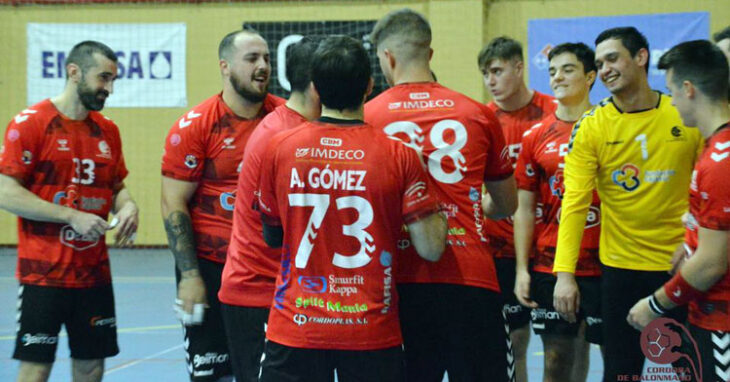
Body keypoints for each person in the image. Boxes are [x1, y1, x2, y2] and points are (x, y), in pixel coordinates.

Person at [256, 34, 447, 382]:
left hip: (296, 326)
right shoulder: (399, 154)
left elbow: (272, 235)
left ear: (315, 87)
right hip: (370, 330)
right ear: (369, 86)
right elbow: (431, 248)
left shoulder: (279, 149)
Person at [366, 9, 518, 381]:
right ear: (429, 54)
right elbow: (507, 204)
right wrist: (469, 206)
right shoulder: (477, 113)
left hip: (399, 280)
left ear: (387, 57)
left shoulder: (368, 117)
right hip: (470, 280)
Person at [552, 27, 703, 381]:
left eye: (612, 58)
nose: (604, 69)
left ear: (641, 58)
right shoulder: (591, 127)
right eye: (599, 62)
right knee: (622, 374)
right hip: (620, 270)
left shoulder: (685, 116)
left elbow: (707, 191)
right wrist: (564, 275)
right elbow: (574, 203)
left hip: (681, 267)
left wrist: (694, 242)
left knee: (693, 371)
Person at [0, 40, 138, 382]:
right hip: (42, 276)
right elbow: (6, 191)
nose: (108, 88)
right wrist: (70, 215)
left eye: (113, 80)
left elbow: (116, 187)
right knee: (36, 368)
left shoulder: (108, 131)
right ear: (73, 72)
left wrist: (129, 205)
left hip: (93, 275)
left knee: (92, 366)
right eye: (103, 78)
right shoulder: (31, 123)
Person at [160, 30, 284, 382]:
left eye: (266, 59)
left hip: (266, 270)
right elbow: (173, 202)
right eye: (252, 59)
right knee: (211, 374)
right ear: (225, 66)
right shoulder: (196, 126)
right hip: (212, 267)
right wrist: (189, 276)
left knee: (267, 372)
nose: (262, 67)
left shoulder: (285, 120)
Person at [217, 36, 322, 382]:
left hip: (290, 291)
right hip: (259, 291)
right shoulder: (281, 135)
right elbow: (275, 230)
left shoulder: (303, 128)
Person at [627, 39, 730, 382]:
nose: (670, 101)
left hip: (721, 322)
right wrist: (689, 246)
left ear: (688, 89)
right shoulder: (712, 148)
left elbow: (713, 262)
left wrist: (654, 305)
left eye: (671, 91)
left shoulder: (719, 162)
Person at [513, 42, 601, 382]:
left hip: (606, 261)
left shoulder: (610, 127)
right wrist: (522, 270)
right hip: (549, 262)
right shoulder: (536, 136)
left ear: (590, 76)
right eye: (551, 71)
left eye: (567, 69)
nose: (557, 77)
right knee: (555, 362)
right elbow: (523, 207)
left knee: (612, 358)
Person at [478, 36, 557, 381]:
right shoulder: (482, 120)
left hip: (550, 248)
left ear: (519, 67)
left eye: (497, 71)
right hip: (500, 251)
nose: (490, 81)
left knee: (563, 347)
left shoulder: (555, 112)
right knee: (514, 342)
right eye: (485, 74)